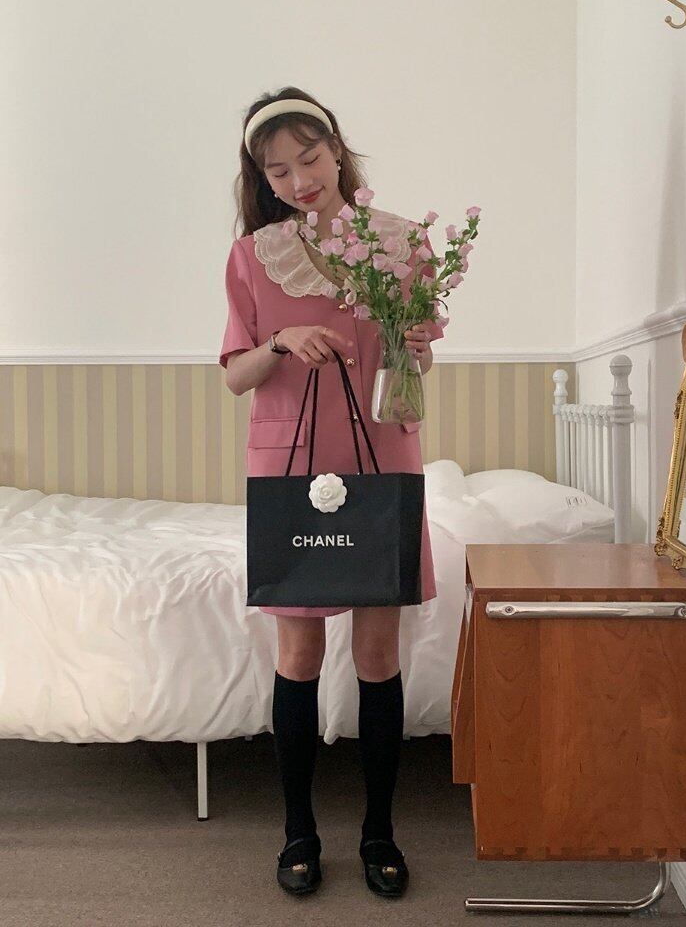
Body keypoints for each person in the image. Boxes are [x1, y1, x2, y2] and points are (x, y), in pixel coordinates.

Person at [218, 87, 444, 899]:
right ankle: (298, 833)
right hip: (290, 467)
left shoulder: (404, 242)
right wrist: (280, 340)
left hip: (381, 454)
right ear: (263, 180)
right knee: (299, 654)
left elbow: (418, 360)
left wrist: (414, 343)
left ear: (337, 149)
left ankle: (380, 831)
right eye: (278, 171)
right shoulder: (253, 257)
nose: (299, 179)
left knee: (378, 655)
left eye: (309, 159)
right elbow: (237, 374)